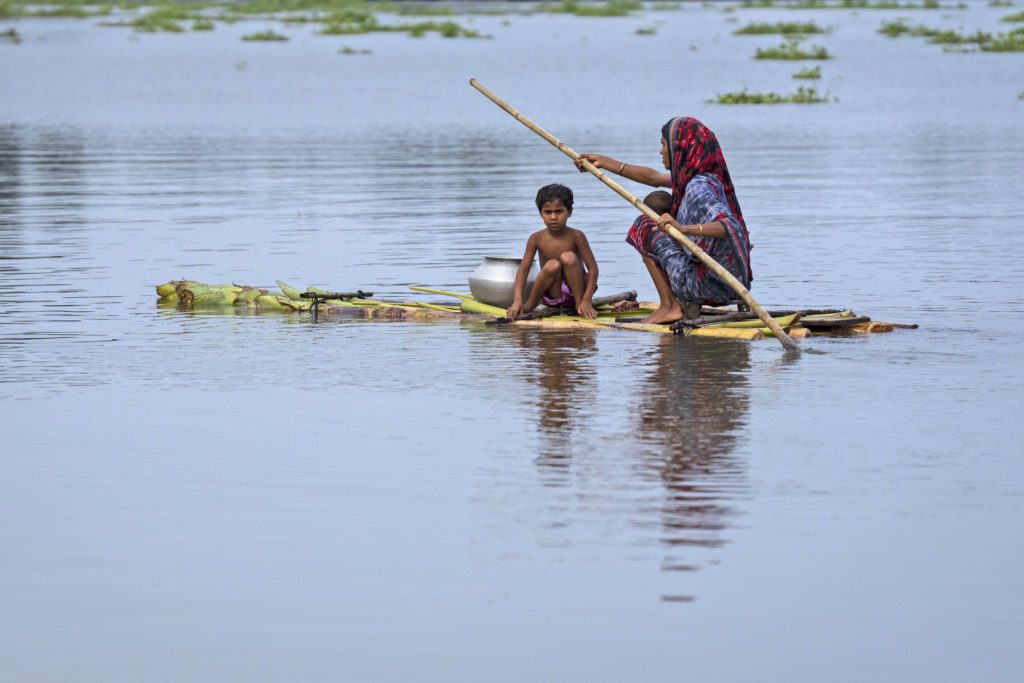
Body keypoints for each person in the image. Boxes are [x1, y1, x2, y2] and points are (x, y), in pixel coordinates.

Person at [576, 117, 752, 324]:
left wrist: (683, 228)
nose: (661, 151)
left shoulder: (698, 188)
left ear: (681, 148)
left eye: (664, 144)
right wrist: (604, 162)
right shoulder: (704, 177)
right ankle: (669, 303)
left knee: (644, 225)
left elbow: (729, 225)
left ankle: (669, 306)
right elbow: (652, 178)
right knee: (656, 204)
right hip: (733, 284)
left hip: (708, 285)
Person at [507, 183, 599, 320]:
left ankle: (580, 305)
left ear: (569, 212)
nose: (553, 217)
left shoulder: (577, 236)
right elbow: (523, 269)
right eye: (548, 212)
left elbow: (593, 268)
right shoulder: (536, 238)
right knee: (552, 265)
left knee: (568, 257)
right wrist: (517, 300)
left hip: (578, 292)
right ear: (540, 213)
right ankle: (530, 304)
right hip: (554, 296)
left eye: (559, 211)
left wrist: (587, 300)